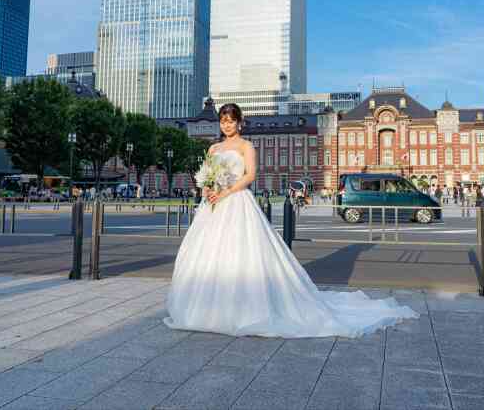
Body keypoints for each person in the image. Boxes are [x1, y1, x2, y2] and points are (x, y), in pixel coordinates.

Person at [164, 103, 417, 338]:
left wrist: (226, 191)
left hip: (235, 200)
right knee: (209, 254)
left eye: (231, 121)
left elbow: (250, 175)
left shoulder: (246, 146)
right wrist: (208, 190)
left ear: (240, 123)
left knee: (240, 253)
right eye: (223, 121)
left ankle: (243, 307)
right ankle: (208, 307)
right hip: (213, 204)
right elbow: (208, 174)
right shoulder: (213, 148)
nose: (227, 125)